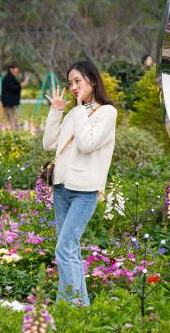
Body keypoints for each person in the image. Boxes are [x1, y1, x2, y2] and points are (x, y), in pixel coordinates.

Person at [42, 61, 118, 306]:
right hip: (61, 188)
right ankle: (69, 307)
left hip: (84, 191)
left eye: (78, 81)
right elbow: (49, 144)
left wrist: (80, 109)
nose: (74, 87)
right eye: (71, 82)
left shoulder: (107, 112)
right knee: (69, 250)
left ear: (92, 81)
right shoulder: (76, 112)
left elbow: (87, 144)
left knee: (64, 249)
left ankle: (76, 308)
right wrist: (56, 112)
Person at [0, 63, 29, 128]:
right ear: (11, 69)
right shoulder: (8, 78)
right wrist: (22, 84)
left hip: (9, 102)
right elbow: (12, 87)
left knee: (9, 117)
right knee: (11, 117)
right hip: (8, 102)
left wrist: (22, 84)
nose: (17, 72)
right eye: (16, 71)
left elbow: (15, 85)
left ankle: (7, 131)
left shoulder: (11, 77)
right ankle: (12, 132)